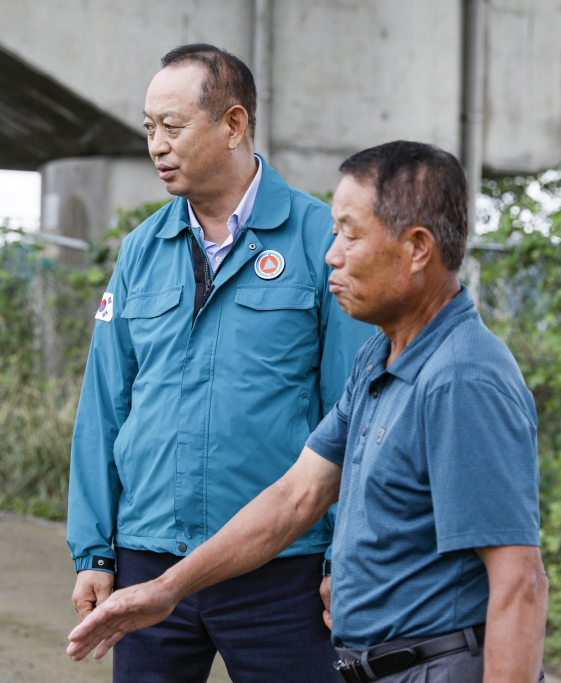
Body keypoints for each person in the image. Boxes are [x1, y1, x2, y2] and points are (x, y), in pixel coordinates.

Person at [67, 141, 550, 683]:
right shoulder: (381, 357)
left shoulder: (462, 378)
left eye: (350, 234)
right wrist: (166, 590)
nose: (331, 254)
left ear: (416, 249)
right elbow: (296, 496)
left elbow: (520, 585)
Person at [66, 43, 376, 683]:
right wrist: (94, 551)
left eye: (172, 126)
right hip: (148, 560)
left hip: (281, 570)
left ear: (234, 126)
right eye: (149, 127)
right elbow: (103, 407)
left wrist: (342, 558)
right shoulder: (141, 250)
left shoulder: (318, 240)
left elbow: (354, 413)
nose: (156, 145)